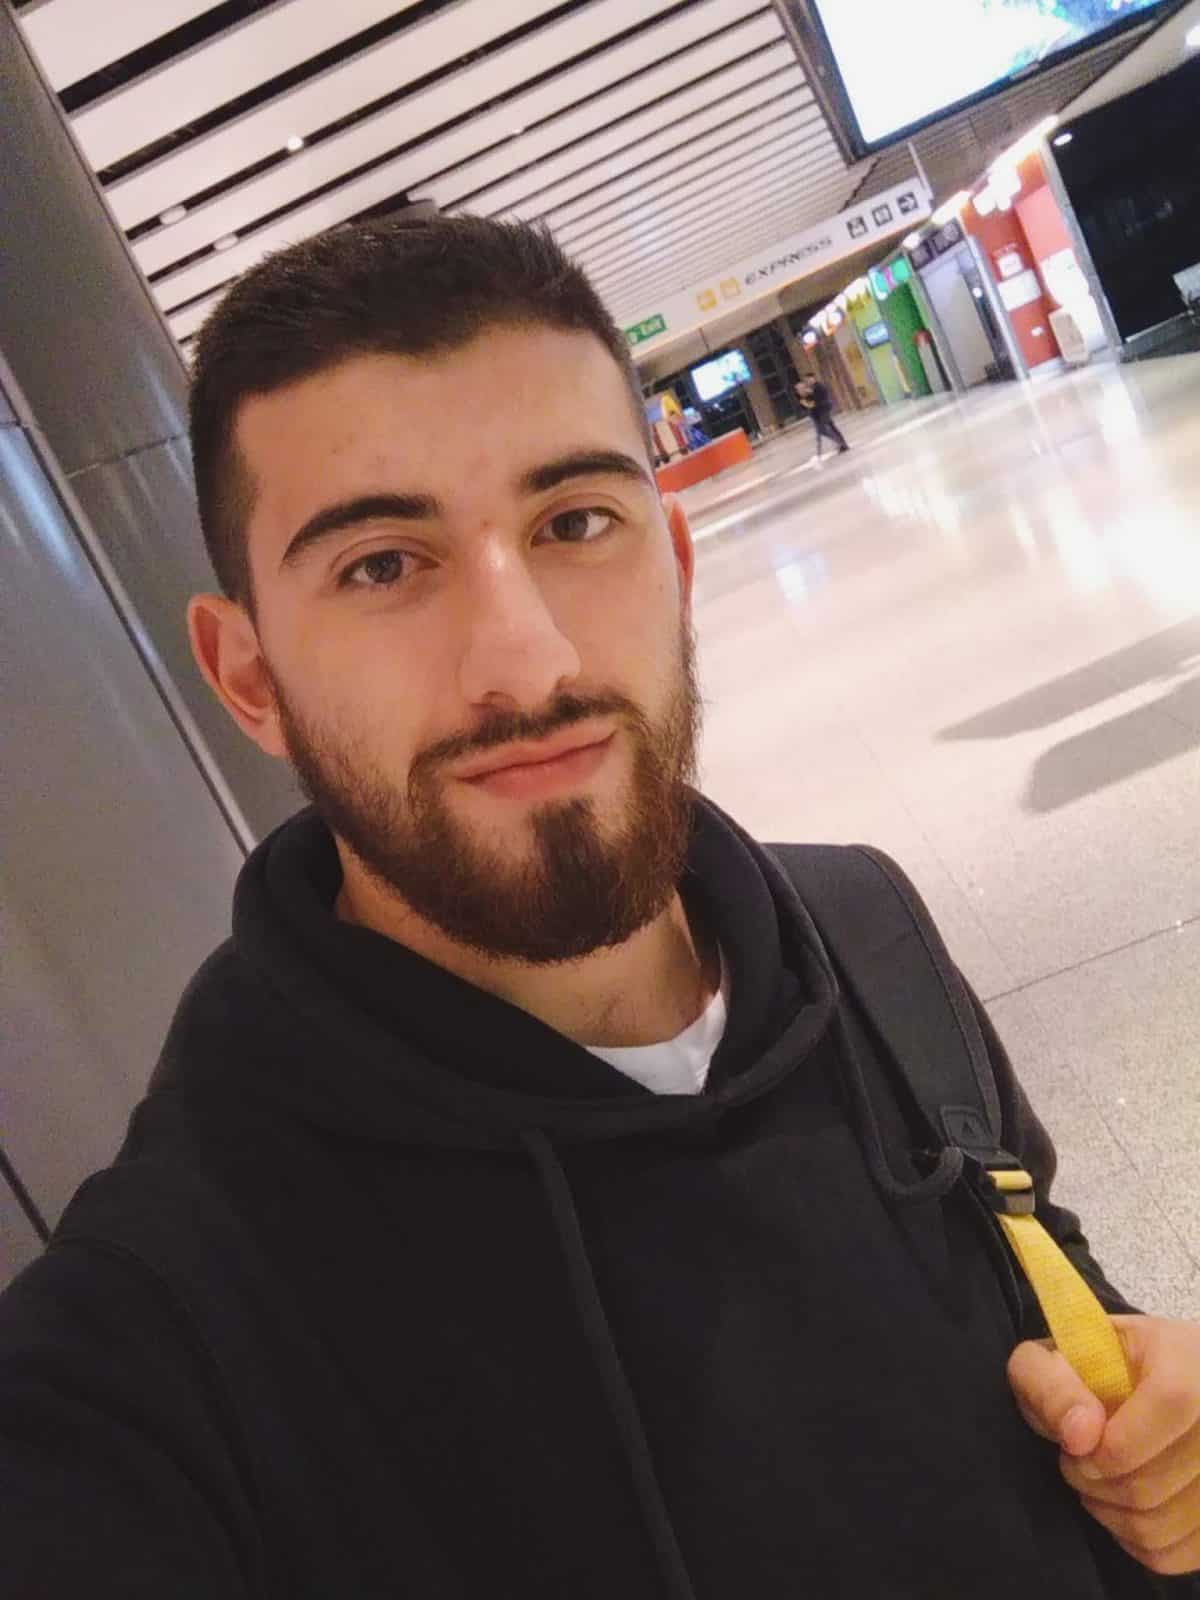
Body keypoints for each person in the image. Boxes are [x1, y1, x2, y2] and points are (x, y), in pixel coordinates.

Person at [1, 214, 1197, 1600]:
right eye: (381, 563)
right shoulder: (175, 1315)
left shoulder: (859, 927)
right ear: (249, 677)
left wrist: (1155, 1423)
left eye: (574, 523)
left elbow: (1046, 1279)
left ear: (672, 560)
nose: (527, 659)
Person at [796, 371, 850, 456]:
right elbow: (808, 404)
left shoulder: (818, 387)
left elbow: (818, 401)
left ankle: (841, 444)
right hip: (821, 411)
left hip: (824, 410)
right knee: (830, 428)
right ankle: (841, 444)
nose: (807, 382)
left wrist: (809, 396)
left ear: (812, 378)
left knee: (826, 428)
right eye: (806, 380)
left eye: (808, 380)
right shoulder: (812, 389)